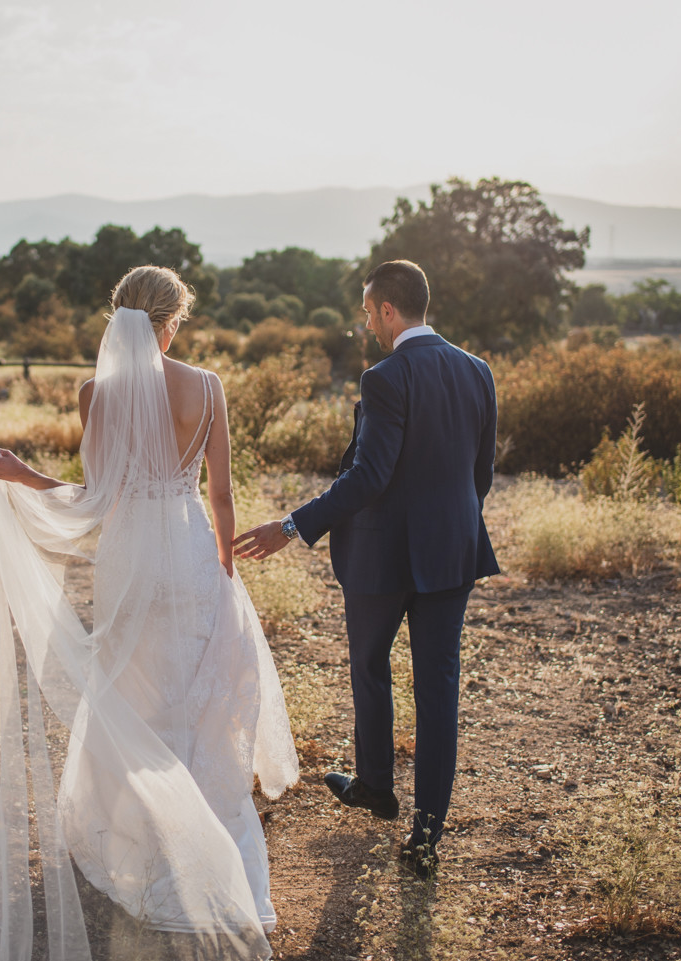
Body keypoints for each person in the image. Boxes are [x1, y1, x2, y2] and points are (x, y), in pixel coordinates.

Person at [0, 265, 298, 961]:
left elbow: (93, 497)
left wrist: (20, 476)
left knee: (134, 699)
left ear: (120, 320)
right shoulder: (208, 387)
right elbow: (222, 494)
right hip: (194, 552)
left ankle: (152, 848)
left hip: (131, 559)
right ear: (172, 322)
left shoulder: (94, 393)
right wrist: (224, 566)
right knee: (200, 699)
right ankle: (211, 854)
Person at [233, 259, 498, 878]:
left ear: (386, 309)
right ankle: (424, 830)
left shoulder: (386, 376)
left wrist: (292, 525)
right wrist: (449, 525)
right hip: (452, 554)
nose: (367, 322)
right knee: (439, 692)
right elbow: (479, 475)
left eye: (367, 310)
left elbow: (368, 476)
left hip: (383, 558)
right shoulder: (478, 372)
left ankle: (378, 786)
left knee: (369, 668)